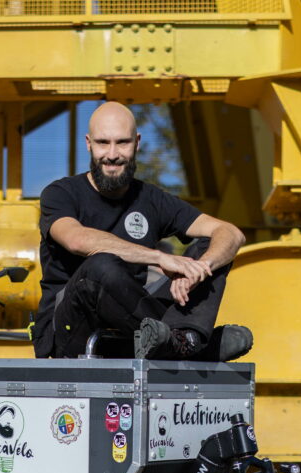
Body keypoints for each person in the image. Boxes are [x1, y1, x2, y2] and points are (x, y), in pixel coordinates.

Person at [31, 101, 252, 361]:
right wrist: (160, 258)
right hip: (70, 331)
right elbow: (77, 240)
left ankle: (184, 339)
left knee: (211, 248)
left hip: (134, 329)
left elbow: (231, 233)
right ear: (89, 144)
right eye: (103, 143)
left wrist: (198, 268)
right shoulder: (60, 193)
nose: (112, 154)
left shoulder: (151, 198)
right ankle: (194, 347)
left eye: (122, 143)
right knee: (100, 265)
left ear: (136, 143)